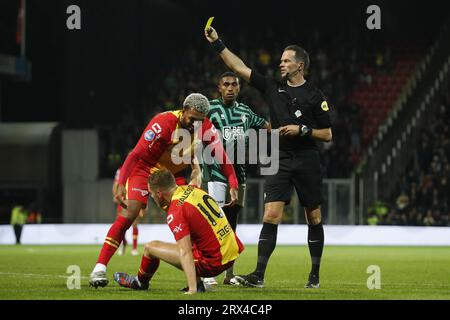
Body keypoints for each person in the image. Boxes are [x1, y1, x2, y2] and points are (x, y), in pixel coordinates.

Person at [205, 27, 332, 288]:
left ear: (300, 65)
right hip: (280, 157)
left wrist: (303, 130)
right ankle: (259, 275)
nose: (281, 63)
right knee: (271, 215)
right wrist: (218, 44)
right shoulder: (273, 87)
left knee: (314, 217)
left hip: (307, 158)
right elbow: (239, 67)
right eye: (282, 60)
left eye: (286, 60)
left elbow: (327, 134)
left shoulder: (315, 95)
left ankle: (314, 275)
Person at [89, 93, 239, 288]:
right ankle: (99, 268)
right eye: (192, 119)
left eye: (200, 121)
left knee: (190, 215)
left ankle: (197, 280)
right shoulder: (163, 123)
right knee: (131, 211)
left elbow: (222, 156)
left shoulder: (207, 127)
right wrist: (121, 183)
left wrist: (233, 182)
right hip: (145, 168)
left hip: (172, 173)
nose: (195, 124)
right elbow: (135, 155)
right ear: (183, 110)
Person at [113, 169, 244, 294]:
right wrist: (195, 163)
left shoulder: (176, 211)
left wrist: (192, 290)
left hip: (214, 263)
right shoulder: (193, 188)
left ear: (159, 193)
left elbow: (185, 252)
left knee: (150, 248)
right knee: (193, 236)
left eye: (151, 194)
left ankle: (140, 283)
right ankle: (197, 284)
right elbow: (196, 175)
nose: (151, 197)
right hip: (232, 249)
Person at [203, 71, 269, 286]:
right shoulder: (210, 109)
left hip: (239, 174)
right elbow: (193, 130)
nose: (230, 88)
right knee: (216, 221)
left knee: (232, 223)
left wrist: (286, 126)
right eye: (226, 84)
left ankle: (229, 274)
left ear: (239, 88)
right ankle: (210, 272)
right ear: (219, 88)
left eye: (234, 84)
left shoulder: (246, 112)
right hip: (215, 172)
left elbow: (266, 126)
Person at [113, 166, 146, 256]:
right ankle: (123, 244)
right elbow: (116, 184)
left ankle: (134, 248)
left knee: (135, 223)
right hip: (123, 200)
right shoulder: (120, 170)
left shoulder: (140, 170)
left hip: (134, 199)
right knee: (120, 224)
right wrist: (115, 195)